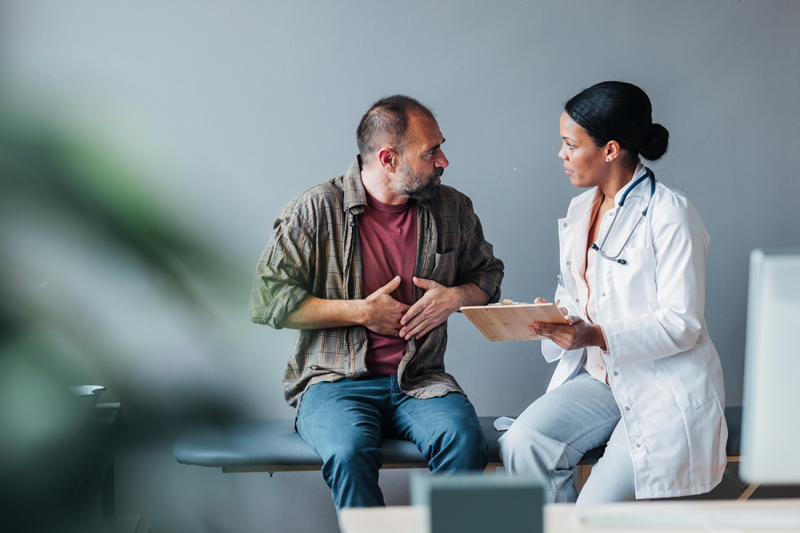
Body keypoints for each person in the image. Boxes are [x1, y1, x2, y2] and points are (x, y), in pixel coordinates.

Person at [250, 95, 504, 510]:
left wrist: (456, 297)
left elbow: (488, 277)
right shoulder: (315, 210)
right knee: (349, 454)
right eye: (431, 152)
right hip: (334, 383)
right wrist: (362, 312)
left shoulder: (453, 208)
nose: (443, 161)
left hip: (419, 380)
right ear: (388, 159)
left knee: (465, 443)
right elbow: (265, 301)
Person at [499, 81, 727, 504]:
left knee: (595, 509)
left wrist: (597, 334)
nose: (561, 154)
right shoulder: (580, 209)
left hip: (660, 385)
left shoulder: (670, 213)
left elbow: (683, 323)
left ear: (610, 150)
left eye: (571, 144)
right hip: (601, 379)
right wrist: (559, 316)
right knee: (523, 443)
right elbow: (581, 292)